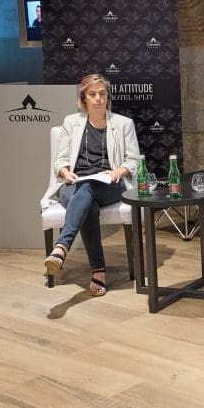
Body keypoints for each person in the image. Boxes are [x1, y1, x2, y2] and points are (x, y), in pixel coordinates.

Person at [42, 73, 140, 297]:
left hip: (109, 184)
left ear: (108, 96)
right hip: (74, 184)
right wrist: (66, 173)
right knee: (87, 198)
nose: (98, 99)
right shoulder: (71, 122)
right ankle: (99, 271)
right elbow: (60, 160)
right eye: (92, 94)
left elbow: (133, 160)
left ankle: (61, 247)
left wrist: (119, 171)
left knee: (89, 188)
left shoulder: (123, 124)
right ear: (83, 98)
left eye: (102, 94)